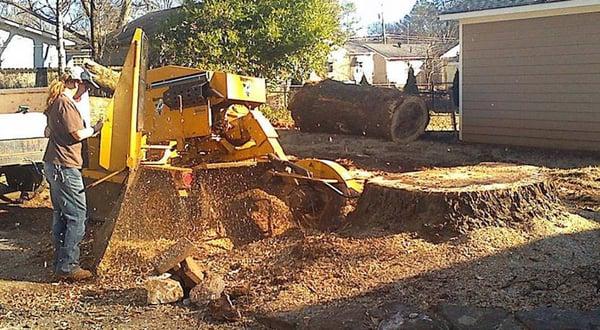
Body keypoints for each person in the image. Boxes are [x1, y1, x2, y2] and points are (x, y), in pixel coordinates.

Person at [43, 66, 102, 281]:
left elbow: (47, 131)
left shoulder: (54, 102)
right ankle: (68, 266)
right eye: (86, 86)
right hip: (65, 167)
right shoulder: (65, 104)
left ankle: (60, 262)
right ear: (76, 82)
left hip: (54, 165)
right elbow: (77, 134)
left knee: (61, 215)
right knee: (77, 216)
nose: (86, 91)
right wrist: (97, 128)